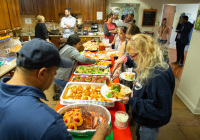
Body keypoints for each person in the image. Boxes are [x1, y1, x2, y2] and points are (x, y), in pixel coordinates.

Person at [0, 38, 111, 140]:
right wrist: (101, 131)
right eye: (54, 72)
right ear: (42, 73)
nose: (55, 76)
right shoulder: (49, 123)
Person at [116, 34, 175, 140]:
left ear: (144, 52)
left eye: (133, 56)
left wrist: (131, 101)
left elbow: (159, 109)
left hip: (150, 122)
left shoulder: (158, 76)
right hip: (142, 115)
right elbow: (133, 60)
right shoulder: (147, 59)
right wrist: (124, 59)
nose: (132, 59)